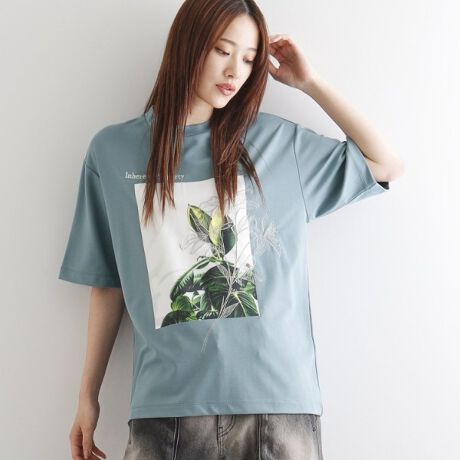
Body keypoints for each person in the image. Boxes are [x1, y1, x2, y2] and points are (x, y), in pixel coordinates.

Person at [58, 0, 405, 459]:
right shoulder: (113, 151)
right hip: (166, 408)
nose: (234, 72)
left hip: (277, 406)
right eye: (223, 51)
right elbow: (107, 282)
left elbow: (386, 164)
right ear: (188, 45)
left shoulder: (277, 144)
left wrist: (310, 84)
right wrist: (88, 397)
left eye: (248, 59)